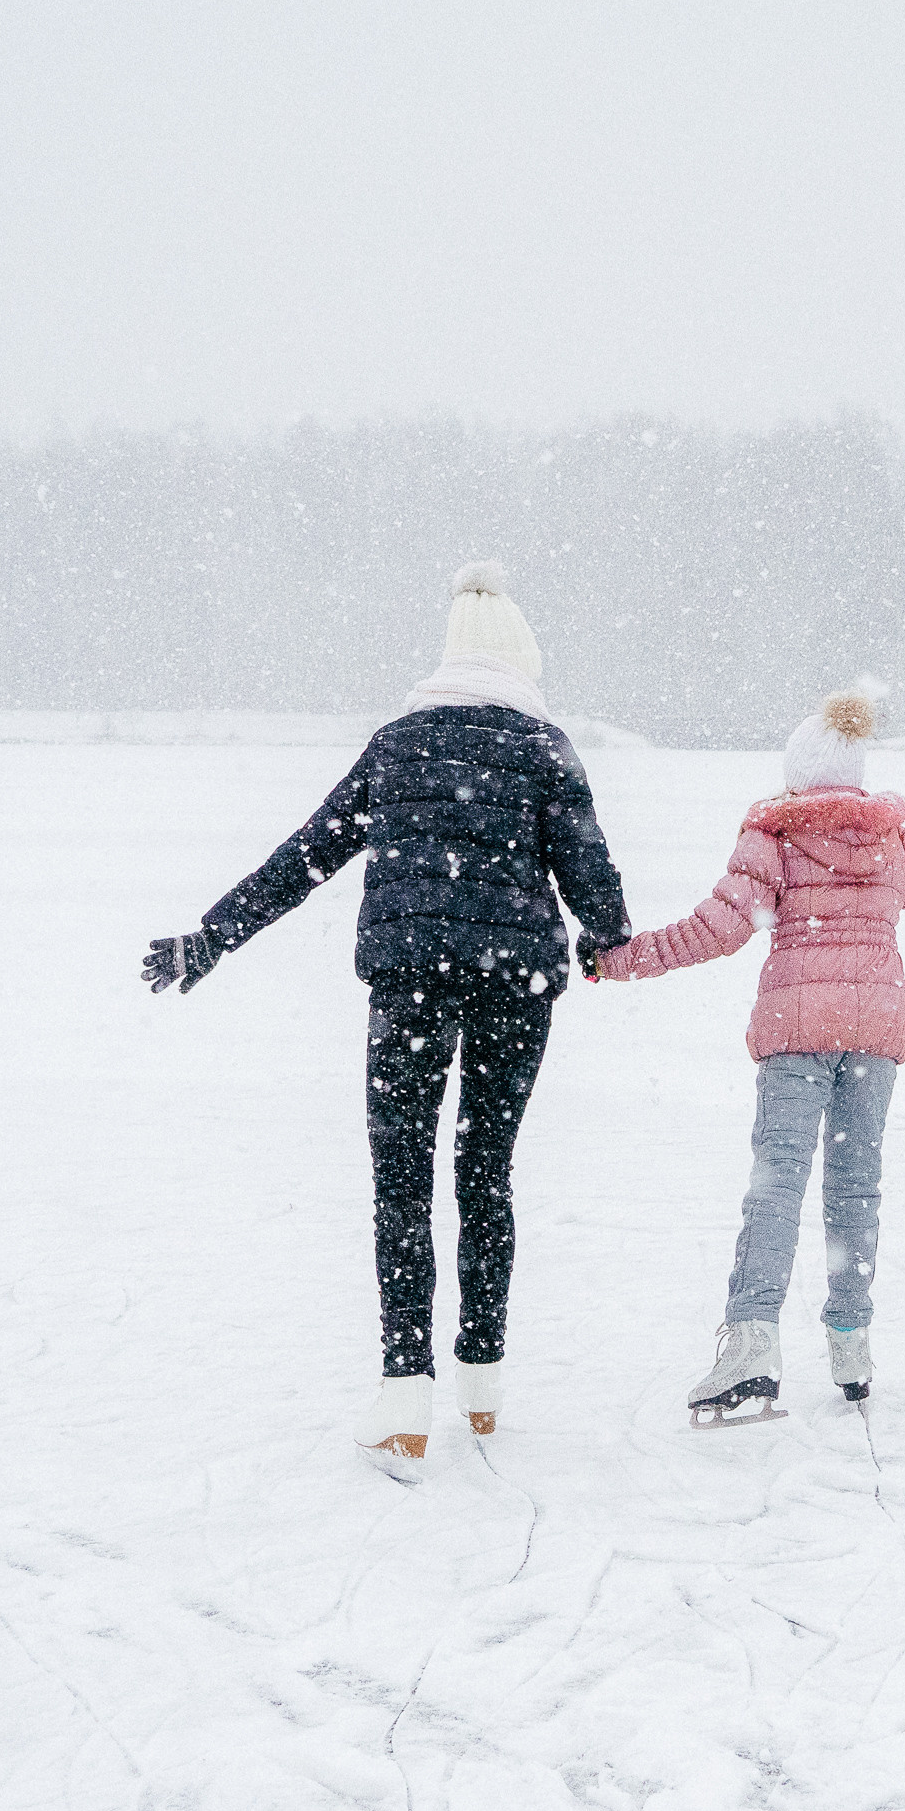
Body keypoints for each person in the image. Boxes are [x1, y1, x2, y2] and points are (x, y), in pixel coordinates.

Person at [142, 562, 629, 1472]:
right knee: (486, 1171)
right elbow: (590, 875)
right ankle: (482, 1383)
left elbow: (308, 854)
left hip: (410, 985)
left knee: (402, 1180)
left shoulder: (398, 745)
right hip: (516, 987)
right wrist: (608, 940)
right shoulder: (544, 746)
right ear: (524, 660)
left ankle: (406, 1390)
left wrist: (212, 938)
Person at [591, 691, 905, 1426]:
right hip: (875, 1030)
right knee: (856, 1187)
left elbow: (715, 929)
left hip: (797, 1026)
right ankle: (851, 1344)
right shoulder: (892, 843)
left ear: (797, 776)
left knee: (776, 1184)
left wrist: (621, 961)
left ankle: (751, 1346)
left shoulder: (773, 835)